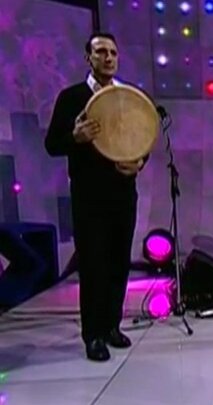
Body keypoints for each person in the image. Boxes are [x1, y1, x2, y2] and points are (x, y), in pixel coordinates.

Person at [45, 32, 148, 362]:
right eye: (101, 52)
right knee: (93, 265)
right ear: (87, 58)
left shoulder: (127, 96)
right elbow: (52, 144)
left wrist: (140, 162)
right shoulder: (71, 97)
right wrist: (74, 137)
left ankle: (112, 326)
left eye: (113, 52)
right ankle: (93, 335)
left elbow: (141, 137)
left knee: (119, 262)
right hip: (88, 196)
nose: (108, 58)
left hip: (123, 193)